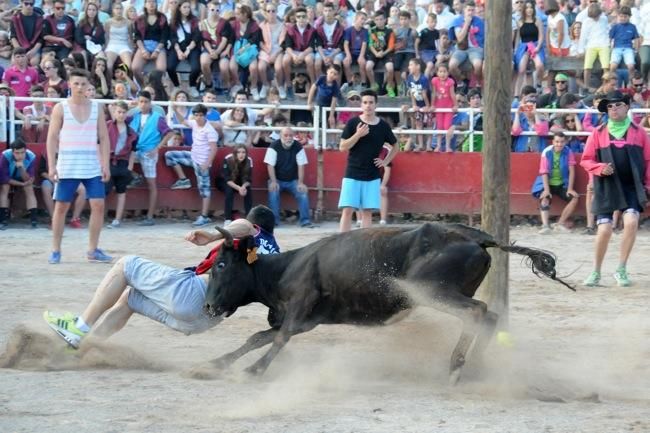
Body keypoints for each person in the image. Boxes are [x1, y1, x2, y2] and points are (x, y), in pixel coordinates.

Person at [43, 206, 280, 348]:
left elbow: (246, 226)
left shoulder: (251, 230)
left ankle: (79, 327)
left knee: (127, 264)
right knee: (130, 299)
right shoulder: (274, 255)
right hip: (205, 321)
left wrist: (210, 236)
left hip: (195, 293)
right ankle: (87, 347)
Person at [580, 90, 650, 287]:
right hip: (607, 186)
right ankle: (596, 271)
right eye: (609, 106)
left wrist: (648, 185)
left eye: (618, 105)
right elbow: (586, 160)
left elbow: (648, 161)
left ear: (627, 107)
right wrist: (600, 168)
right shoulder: (598, 132)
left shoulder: (639, 133)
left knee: (631, 222)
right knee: (604, 230)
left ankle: (621, 268)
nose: (613, 109)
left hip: (630, 187)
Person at [46, 68, 112, 265]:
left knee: (99, 205)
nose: (80, 87)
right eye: (76, 83)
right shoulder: (60, 108)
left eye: (83, 84)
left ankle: (93, 250)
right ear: (69, 84)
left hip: (92, 163)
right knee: (61, 207)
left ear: (88, 85)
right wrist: (51, 165)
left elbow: (103, 137)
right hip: (68, 164)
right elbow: (51, 138)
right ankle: (55, 250)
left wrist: (105, 163)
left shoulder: (97, 107)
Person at [338, 89, 398, 232]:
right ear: (361, 105)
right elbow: (342, 147)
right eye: (365, 102)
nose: (368, 105)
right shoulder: (353, 123)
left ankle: (363, 248)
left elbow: (395, 146)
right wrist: (358, 135)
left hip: (372, 175)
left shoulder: (383, 126)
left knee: (367, 212)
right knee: (347, 210)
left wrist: (385, 161)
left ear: (376, 104)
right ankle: (341, 245)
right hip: (352, 172)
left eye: (371, 102)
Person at [164, 103, 219, 227]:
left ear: (205, 116)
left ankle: (204, 216)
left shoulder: (210, 130)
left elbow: (214, 149)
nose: (198, 117)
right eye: (196, 115)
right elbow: (183, 121)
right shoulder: (194, 123)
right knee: (170, 155)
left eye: (201, 115)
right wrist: (174, 110)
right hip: (193, 156)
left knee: (204, 190)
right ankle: (183, 179)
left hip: (202, 162)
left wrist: (207, 163)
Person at [127, 90, 175, 226]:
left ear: (150, 103)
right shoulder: (133, 115)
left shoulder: (157, 117)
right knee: (124, 166)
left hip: (149, 152)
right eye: (140, 102)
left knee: (151, 185)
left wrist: (157, 148)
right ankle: (135, 176)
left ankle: (149, 217)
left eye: (145, 102)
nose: (143, 105)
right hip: (135, 150)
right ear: (137, 102)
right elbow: (118, 119)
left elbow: (170, 133)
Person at [264, 126, 315, 228]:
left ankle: (305, 221)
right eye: (286, 135)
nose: (288, 138)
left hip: (293, 180)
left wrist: (300, 183)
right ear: (280, 136)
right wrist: (273, 181)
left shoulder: (298, 146)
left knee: (303, 192)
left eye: (291, 135)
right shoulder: (274, 146)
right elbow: (270, 165)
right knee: (273, 192)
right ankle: (274, 222)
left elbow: (301, 165)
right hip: (277, 179)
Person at [531, 131, 579, 234]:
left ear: (565, 142)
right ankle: (545, 225)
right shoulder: (546, 152)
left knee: (574, 198)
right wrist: (547, 190)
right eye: (557, 141)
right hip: (548, 182)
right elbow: (544, 171)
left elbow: (572, 171)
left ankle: (560, 224)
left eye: (562, 142)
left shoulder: (568, 152)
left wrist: (570, 188)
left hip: (562, 183)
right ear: (553, 142)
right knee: (544, 198)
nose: (559, 144)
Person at [105, 101, 137, 229]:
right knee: (103, 191)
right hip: (108, 161)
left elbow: (133, 150)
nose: (121, 114)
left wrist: (130, 167)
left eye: (124, 112)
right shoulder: (107, 126)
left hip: (123, 163)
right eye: (119, 112)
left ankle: (117, 219)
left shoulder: (132, 132)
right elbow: (98, 143)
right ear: (114, 112)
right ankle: (101, 216)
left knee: (121, 191)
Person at [0, 138, 39, 230]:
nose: (20, 155)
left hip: (22, 178)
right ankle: (3, 220)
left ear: (25, 151)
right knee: (4, 187)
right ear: (12, 152)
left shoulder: (31, 156)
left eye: (22, 152)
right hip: (8, 179)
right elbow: (4, 178)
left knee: (29, 188)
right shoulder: (5, 156)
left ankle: (34, 220)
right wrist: (21, 184)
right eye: (17, 153)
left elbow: (29, 179)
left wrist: (21, 167)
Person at [222, 144, 253, 225]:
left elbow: (249, 179)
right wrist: (239, 188)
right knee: (229, 191)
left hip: (240, 182)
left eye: (243, 152)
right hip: (226, 182)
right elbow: (227, 179)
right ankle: (227, 218)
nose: (241, 154)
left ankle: (249, 218)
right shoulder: (228, 159)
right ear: (235, 153)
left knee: (248, 190)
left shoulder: (249, 160)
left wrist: (243, 187)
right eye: (238, 152)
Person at [9, 0, 44, 67]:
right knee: (14, 63)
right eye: (26, 3)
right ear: (21, 3)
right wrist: (20, 51)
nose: (29, 6)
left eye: (31, 4)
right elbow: (13, 37)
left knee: (34, 62)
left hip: (34, 47)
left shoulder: (39, 19)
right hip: (19, 46)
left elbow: (41, 38)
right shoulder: (15, 18)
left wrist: (33, 51)